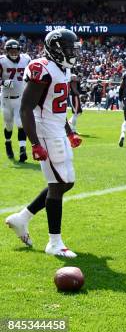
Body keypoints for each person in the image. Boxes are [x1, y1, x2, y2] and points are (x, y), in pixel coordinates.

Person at [5, 29, 82, 257]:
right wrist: (35, 143)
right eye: (69, 48)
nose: (72, 52)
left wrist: (69, 131)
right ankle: (54, 242)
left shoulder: (63, 69)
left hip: (57, 129)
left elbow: (57, 107)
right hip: (46, 132)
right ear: (56, 49)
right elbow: (26, 108)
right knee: (58, 185)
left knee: (66, 183)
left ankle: (22, 218)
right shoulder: (42, 68)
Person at [0, 39, 31, 162]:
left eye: (15, 50)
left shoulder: (26, 59)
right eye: (11, 50)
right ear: (6, 50)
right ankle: (8, 143)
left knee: (20, 123)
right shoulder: (2, 61)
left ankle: (22, 149)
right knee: (8, 125)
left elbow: (32, 74)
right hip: (6, 98)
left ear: (19, 50)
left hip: (21, 98)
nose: (13, 52)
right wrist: (4, 82)